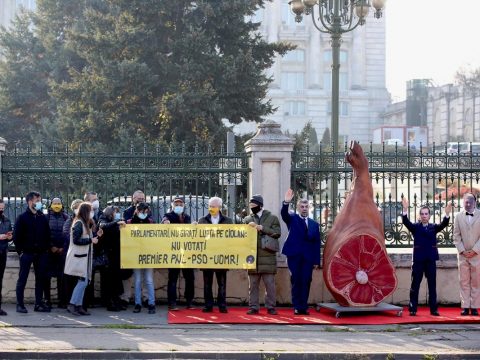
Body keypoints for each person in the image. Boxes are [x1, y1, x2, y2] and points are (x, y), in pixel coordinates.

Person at [402, 198, 451, 316]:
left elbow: (444, 224)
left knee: (432, 285)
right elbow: (406, 222)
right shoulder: (415, 227)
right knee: (415, 285)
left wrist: (447, 213)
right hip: (418, 260)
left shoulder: (434, 227)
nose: (424, 216)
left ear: (429, 216)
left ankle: (434, 309)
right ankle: (413, 309)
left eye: (426, 214)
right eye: (422, 214)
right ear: (419, 215)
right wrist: (405, 209)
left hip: (430, 260)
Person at [281, 189, 321, 315]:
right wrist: (286, 202)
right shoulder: (292, 219)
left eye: (306, 206)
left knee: (306, 280)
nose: (304, 208)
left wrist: (316, 261)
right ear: (298, 208)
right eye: (302, 206)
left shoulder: (314, 224)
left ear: (309, 208)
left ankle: (304, 306)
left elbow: (316, 243)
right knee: (296, 280)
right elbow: (284, 215)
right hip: (294, 256)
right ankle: (297, 307)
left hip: (308, 258)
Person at [13, 191, 51, 313]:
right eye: (37, 201)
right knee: (22, 279)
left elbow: (47, 235)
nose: (39, 203)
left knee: (40, 279)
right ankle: (20, 304)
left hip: (41, 254)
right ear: (30, 201)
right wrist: (21, 252)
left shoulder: (42, 217)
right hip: (27, 253)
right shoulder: (22, 218)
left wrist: (45, 250)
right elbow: (16, 237)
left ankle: (38, 304)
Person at [243, 194, 281, 315]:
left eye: (254, 205)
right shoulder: (247, 219)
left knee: (270, 285)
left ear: (260, 205)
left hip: (268, 256)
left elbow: (277, 233)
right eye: (250, 206)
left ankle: (271, 307)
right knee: (253, 285)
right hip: (252, 258)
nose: (252, 207)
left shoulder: (272, 218)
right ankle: (253, 306)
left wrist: (261, 228)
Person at [64, 202, 101, 316]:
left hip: (84, 258)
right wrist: (91, 240)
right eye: (90, 210)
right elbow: (76, 240)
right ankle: (73, 304)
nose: (92, 213)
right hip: (78, 257)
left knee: (84, 282)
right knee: (82, 282)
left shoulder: (85, 223)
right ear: (86, 211)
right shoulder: (79, 223)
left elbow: (88, 238)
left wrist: (97, 235)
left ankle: (78, 306)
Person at [198, 196, 233, 313]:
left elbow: (232, 237)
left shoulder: (228, 221)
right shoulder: (202, 220)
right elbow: (198, 237)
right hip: (207, 256)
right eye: (210, 206)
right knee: (207, 283)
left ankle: (222, 305)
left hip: (222, 256)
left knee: (222, 283)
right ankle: (208, 305)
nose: (212, 208)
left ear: (220, 207)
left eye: (214, 206)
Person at [162, 197, 195, 310]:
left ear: (184, 205)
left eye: (180, 204)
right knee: (173, 278)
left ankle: (189, 301)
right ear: (172, 205)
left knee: (190, 278)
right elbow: (164, 221)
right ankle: (172, 303)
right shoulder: (169, 216)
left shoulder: (187, 217)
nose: (178, 206)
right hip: (174, 252)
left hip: (186, 252)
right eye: (176, 204)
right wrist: (165, 222)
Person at [454, 193, 480, 316]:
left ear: (475, 202)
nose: (467, 204)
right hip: (463, 255)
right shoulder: (458, 216)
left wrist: (475, 250)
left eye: (470, 201)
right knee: (463, 281)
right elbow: (456, 235)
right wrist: (462, 250)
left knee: (476, 281)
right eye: (465, 201)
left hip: (477, 254)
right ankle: (465, 306)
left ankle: (475, 306)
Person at [128, 202, 156, 314]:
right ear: (136, 211)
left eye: (145, 212)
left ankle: (151, 303)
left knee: (149, 280)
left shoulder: (150, 222)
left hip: (148, 254)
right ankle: (138, 303)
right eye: (140, 211)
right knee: (138, 280)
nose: (143, 213)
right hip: (136, 255)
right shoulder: (129, 222)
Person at [98, 206, 126, 311]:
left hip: (116, 254)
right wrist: (116, 223)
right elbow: (103, 226)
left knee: (116, 279)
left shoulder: (116, 221)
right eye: (115, 212)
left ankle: (116, 301)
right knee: (109, 280)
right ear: (110, 213)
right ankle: (109, 303)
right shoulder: (103, 218)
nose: (117, 214)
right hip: (108, 254)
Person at [121, 190, 146, 306]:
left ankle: (145, 297)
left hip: (144, 246)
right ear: (133, 199)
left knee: (145, 273)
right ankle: (126, 297)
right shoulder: (127, 212)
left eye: (142, 199)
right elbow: (125, 225)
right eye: (138, 199)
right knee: (127, 273)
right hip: (130, 246)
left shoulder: (148, 211)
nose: (140, 201)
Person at [84, 191, 108, 308]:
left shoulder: (101, 213)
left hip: (101, 249)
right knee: (90, 277)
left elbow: (104, 222)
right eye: (93, 200)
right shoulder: (83, 214)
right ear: (87, 201)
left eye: (96, 199)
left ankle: (105, 300)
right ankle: (89, 301)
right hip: (89, 249)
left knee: (105, 277)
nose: (96, 201)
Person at [45, 197, 69, 309]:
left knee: (62, 277)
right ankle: (47, 300)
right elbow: (43, 233)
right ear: (50, 205)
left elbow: (68, 234)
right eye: (55, 203)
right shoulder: (46, 218)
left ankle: (62, 300)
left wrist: (63, 248)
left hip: (62, 252)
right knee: (47, 277)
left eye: (59, 203)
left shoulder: (66, 217)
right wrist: (51, 246)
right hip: (49, 252)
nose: (57, 205)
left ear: (62, 205)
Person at [62, 199, 83, 306]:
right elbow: (66, 234)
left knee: (78, 280)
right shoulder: (69, 221)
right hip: (70, 254)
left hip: (80, 255)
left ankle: (77, 303)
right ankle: (68, 302)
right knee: (69, 280)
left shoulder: (84, 221)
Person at [0, 199, 12, 315]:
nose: (1, 210)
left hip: (2, 253)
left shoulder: (6, 220)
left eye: (3, 208)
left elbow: (10, 233)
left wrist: (9, 236)